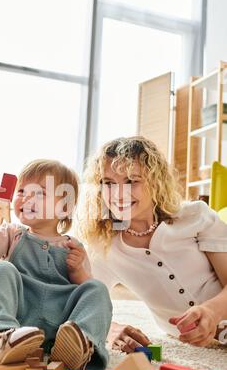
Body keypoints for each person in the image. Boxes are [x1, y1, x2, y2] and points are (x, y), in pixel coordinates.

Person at [79, 136, 227, 351]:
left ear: (155, 181)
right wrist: (110, 330)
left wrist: (213, 311)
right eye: (108, 183)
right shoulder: (102, 246)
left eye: (132, 181)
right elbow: (80, 305)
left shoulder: (195, 216)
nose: (119, 194)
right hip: (188, 340)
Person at [0, 159, 112, 370]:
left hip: (64, 327)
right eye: (22, 191)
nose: (26, 197)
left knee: (98, 288)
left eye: (40, 193)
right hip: (18, 320)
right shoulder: (12, 234)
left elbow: (86, 290)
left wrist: (78, 270)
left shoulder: (74, 246)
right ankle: (1, 338)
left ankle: (80, 344)